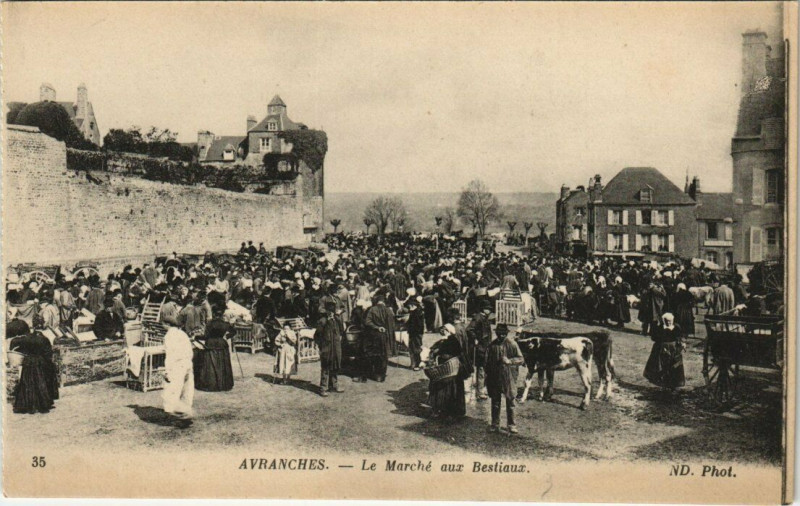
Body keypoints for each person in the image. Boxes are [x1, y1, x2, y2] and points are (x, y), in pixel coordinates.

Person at [11, 314, 60, 414]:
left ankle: (28, 404)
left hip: (28, 362)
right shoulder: (44, 339)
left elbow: (16, 343)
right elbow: (48, 354)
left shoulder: (27, 337)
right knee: (40, 383)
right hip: (39, 362)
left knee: (27, 384)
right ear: (42, 324)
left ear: (33, 325)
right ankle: (42, 403)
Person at [484, 324, 524, 434]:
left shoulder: (512, 344)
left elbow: (521, 359)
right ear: (496, 333)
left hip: (509, 377)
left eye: (504, 333)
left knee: (510, 401)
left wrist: (510, 361)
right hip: (495, 377)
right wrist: (487, 378)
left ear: (506, 333)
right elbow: (486, 363)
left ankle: (511, 425)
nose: (502, 335)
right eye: (499, 333)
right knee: (495, 402)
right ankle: (495, 424)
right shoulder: (491, 345)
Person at [427, 324, 468, 419]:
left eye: (444, 329)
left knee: (448, 390)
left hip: (449, 369)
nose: (442, 331)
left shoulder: (451, 340)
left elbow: (446, 352)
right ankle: (447, 411)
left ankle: (448, 411)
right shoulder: (448, 340)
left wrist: (438, 352)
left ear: (448, 331)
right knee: (449, 390)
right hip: (448, 368)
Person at [193, 296, 234, 392]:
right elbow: (233, 332)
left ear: (214, 313)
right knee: (223, 364)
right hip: (222, 343)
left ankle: (211, 384)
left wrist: (196, 337)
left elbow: (206, 336)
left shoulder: (210, 324)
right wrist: (227, 337)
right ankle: (223, 384)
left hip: (211, 343)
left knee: (210, 365)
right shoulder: (225, 324)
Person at [162, 314, 195, 426]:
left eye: (163, 324)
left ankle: (182, 413)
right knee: (186, 390)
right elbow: (190, 351)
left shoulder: (169, 336)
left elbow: (170, 355)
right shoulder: (183, 334)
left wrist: (167, 371)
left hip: (177, 365)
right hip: (187, 363)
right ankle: (185, 411)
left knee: (172, 391)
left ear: (167, 324)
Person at [643, 312, 685, 394]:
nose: (669, 322)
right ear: (663, 321)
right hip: (662, 350)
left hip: (674, 349)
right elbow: (654, 338)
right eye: (667, 321)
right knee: (662, 367)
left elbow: (679, 337)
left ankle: (674, 386)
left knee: (674, 366)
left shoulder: (676, 327)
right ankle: (664, 385)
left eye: (670, 321)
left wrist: (682, 344)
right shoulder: (660, 328)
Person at [364, 294, 395, 382]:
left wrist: (376, 327)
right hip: (385, 335)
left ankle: (376, 374)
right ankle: (382, 375)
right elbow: (392, 324)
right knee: (384, 355)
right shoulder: (388, 310)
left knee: (376, 354)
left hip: (375, 336)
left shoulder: (372, 309)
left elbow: (367, 322)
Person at [315, 300, 344, 397]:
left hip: (336, 347)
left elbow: (341, 331)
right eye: (329, 311)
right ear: (326, 311)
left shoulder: (337, 320)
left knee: (335, 366)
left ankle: (334, 386)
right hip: (326, 348)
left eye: (333, 311)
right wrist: (321, 346)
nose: (331, 313)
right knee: (325, 367)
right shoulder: (322, 321)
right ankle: (323, 388)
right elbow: (317, 336)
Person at [467, 302, 493, 400]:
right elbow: (469, 329)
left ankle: (481, 389)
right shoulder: (478, 317)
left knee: (484, 369)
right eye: (488, 309)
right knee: (481, 369)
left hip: (485, 346)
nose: (490, 311)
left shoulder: (484, 318)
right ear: (483, 309)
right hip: (480, 348)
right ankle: (480, 391)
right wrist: (475, 339)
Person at [405, 297, 425, 371]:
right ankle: (415, 364)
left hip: (415, 334)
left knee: (415, 349)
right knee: (414, 348)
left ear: (413, 305)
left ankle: (417, 364)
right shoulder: (416, 312)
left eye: (410, 305)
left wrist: (409, 328)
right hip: (415, 333)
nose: (409, 307)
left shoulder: (416, 313)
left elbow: (417, 325)